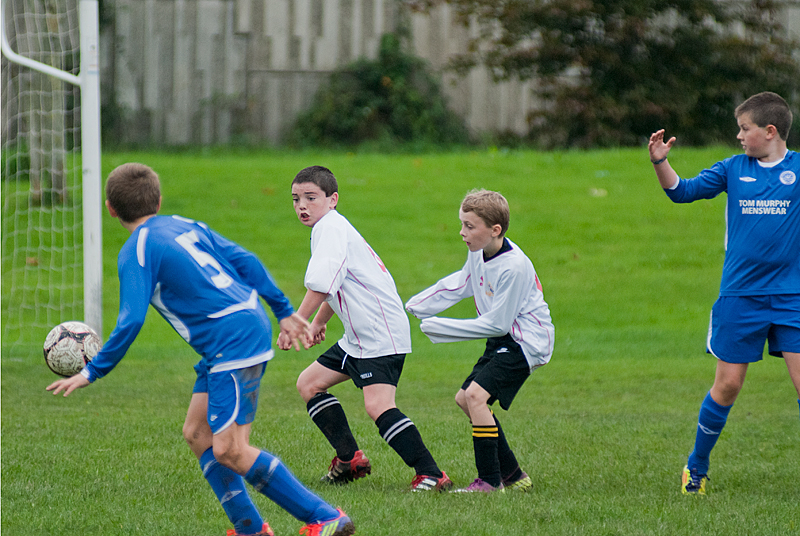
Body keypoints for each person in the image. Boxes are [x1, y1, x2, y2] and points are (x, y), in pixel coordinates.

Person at [46, 163, 355, 536]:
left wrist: (91, 371)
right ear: (158, 200)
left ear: (110, 209)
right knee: (197, 433)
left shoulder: (136, 251)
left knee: (230, 449)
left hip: (232, 341)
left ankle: (324, 517)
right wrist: (283, 311)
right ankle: (250, 528)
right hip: (239, 328)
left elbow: (130, 320)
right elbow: (245, 260)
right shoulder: (182, 224)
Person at [648, 91, 800, 495]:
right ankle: (696, 466)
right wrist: (661, 162)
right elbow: (682, 191)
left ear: (769, 132)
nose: (738, 136)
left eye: (744, 129)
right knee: (729, 385)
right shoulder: (733, 169)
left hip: (791, 298)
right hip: (740, 297)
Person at [280, 165, 451, 492]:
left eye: (310, 198)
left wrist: (298, 322)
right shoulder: (331, 228)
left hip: (379, 335)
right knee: (310, 383)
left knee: (378, 406)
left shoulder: (330, 228)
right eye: (296, 199)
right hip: (358, 337)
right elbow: (337, 281)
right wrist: (318, 323)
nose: (302, 205)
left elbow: (320, 283)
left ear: (333, 200)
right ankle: (349, 460)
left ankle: (431, 473)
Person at [405, 189, 555, 493]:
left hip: (526, 343)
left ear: (494, 230)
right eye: (462, 224)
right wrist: (412, 306)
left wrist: (439, 329)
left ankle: (488, 482)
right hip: (504, 338)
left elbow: (498, 323)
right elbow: (463, 283)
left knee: (475, 397)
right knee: (466, 400)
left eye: (470, 226)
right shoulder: (478, 251)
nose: (462, 233)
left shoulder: (514, 267)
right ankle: (513, 476)